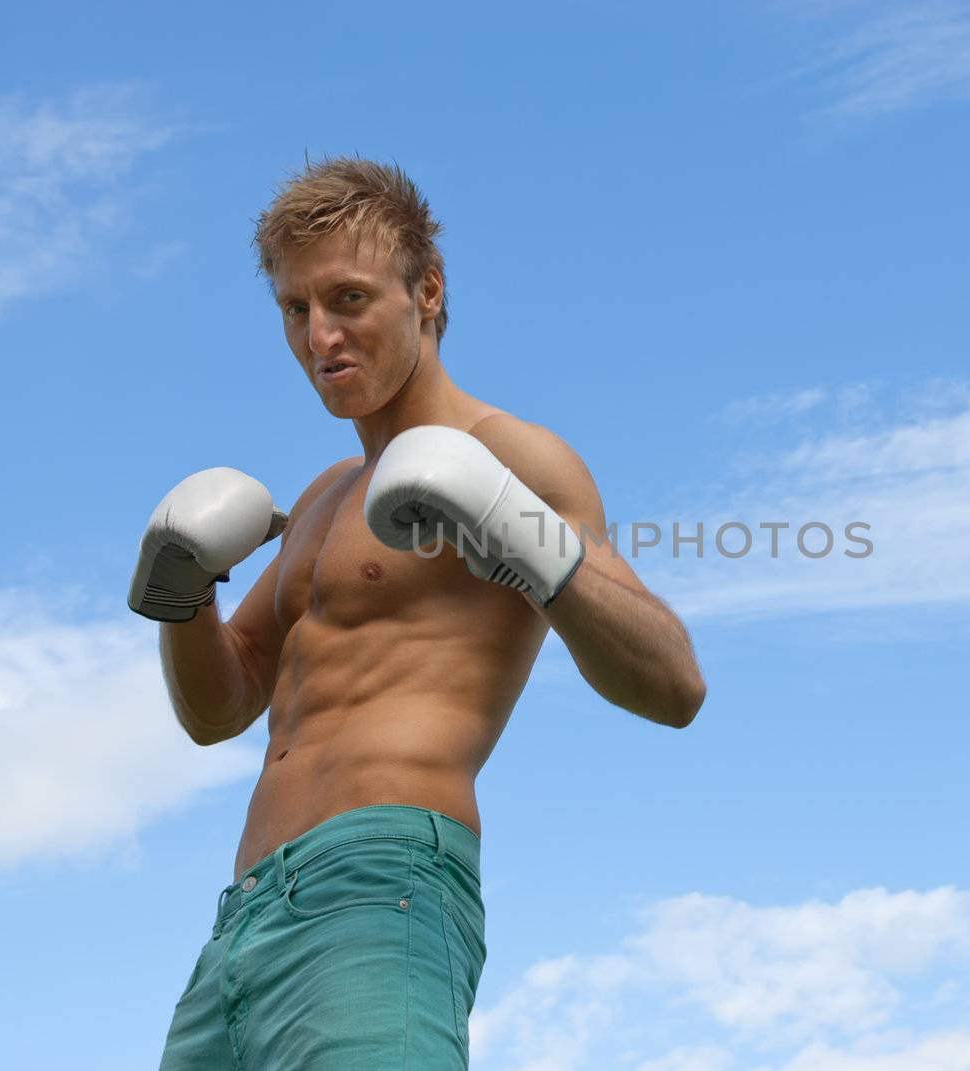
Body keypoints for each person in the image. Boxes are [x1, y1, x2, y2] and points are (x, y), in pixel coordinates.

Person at [131, 157, 707, 1070]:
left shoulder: (510, 456)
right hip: (239, 924)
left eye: (348, 300)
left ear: (427, 292)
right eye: (294, 309)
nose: (320, 336)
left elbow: (675, 683)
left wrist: (521, 534)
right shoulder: (322, 497)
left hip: (380, 883)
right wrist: (179, 591)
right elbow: (220, 710)